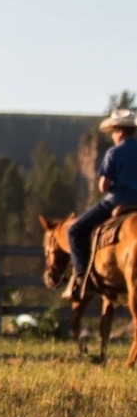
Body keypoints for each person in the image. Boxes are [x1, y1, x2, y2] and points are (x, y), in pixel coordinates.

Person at [66, 108, 137, 299]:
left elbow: (103, 185)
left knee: (75, 231)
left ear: (119, 131)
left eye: (114, 132)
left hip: (116, 202)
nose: (113, 136)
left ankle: (83, 277)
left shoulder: (114, 153)